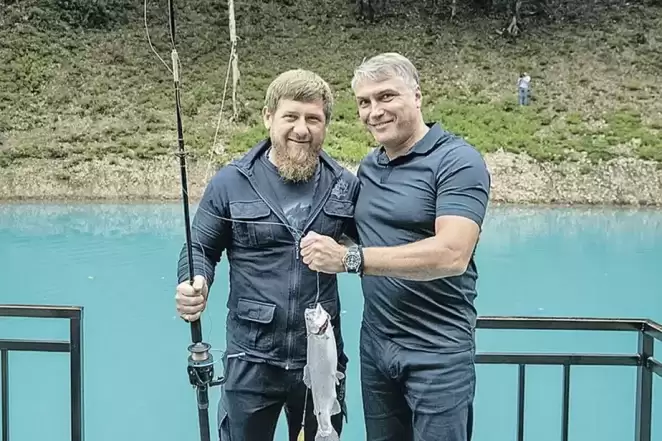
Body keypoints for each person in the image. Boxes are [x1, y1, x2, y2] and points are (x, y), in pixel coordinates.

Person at [299, 52, 491, 441]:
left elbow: (452, 254)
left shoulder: (457, 161)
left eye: (386, 96)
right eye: (364, 102)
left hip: (437, 352)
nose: (374, 111)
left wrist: (350, 259)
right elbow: (359, 233)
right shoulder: (370, 167)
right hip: (376, 349)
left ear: (416, 96)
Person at [174, 69, 360, 441]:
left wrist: (347, 255)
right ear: (268, 117)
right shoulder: (231, 182)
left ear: (325, 124)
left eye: (313, 119)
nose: (301, 129)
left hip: (320, 357)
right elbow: (200, 247)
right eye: (291, 116)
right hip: (251, 359)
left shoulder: (345, 185)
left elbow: (371, 249)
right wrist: (194, 280)